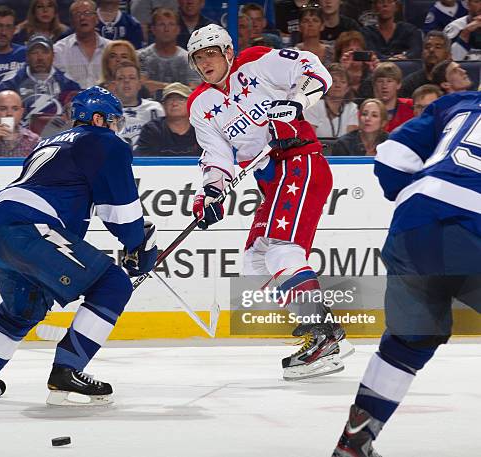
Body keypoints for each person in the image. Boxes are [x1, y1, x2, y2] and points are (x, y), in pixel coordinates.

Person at [0, 86, 157, 405]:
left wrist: (133, 242)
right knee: (112, 284)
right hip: (29, 230)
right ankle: (67, 370)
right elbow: (121, 215)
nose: (116, 128)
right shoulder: (103, 141)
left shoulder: (50, 142)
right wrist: (139, 245)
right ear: (98, 119)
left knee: (23, 310)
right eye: (113, 121)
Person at [186, 24, 352, 380]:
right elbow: (216, 156)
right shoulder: (200, 104)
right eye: (198, 57)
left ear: (228, 52)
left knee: (281, 247)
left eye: (211, 53)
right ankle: (318, 330)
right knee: (255, 263)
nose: (205, 62)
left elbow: (313, 69)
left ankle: (325, 334)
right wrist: (212, 192)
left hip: (300, 160)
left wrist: (296, 102)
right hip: (271, 182)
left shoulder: (256, 63)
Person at [333, 91, 481, 457]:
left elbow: (391, 160)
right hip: (475, 226)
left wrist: (426, 204)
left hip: (414, 220)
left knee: (410, 339)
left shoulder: (458, 103)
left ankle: (355, 442)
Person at [0, 35, 81, 126]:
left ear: (53, 56)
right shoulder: (11, 83)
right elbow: (1, 116)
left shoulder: (68, 84)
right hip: (19, 136)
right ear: (27, 56)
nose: (40, 58)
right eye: (34, 52)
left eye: (45, 52)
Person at [137, 8, 201, 95]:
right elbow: (141, 85)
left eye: (171, 24)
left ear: (178, 29)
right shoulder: (141, 56)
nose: (166, 29)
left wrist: (157, 86)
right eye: (161, 24)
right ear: (153, 29)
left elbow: (193, 90)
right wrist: (178, 88)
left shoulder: (189, 60)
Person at [53, 0, 112, 89]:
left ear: (96, 19)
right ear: (72, 21)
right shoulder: (59, 50)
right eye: (77, 14)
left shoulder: (111, 48)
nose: (82, 17)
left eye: (87, 13)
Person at [134, 82, 200, 156]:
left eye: (180, 99)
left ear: (191, 103)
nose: (174, 104)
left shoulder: (201, 129)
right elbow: (142, 161)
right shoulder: (152, 129)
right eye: (170, 99)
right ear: (163, 105)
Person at [114, 60, 164, 147]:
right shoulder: (106, 111)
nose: (126, 81)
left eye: (132, 78)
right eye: (121, 78)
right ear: (115, 84)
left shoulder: (155, 108)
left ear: (139, 84)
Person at [0, 90, 39, 157]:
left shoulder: (33, 140)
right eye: (3, 109)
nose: (9, 114)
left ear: (21, 112)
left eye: (15, 109)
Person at [304, 63, 358, 138]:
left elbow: (351, 140)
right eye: (334, 81)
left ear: (348, 88)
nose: (338, 85)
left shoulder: (352, 108)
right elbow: (309, 138)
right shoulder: (313, 106)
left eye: (343, 82)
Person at [400, 31, 451, 98]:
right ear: (422, 53)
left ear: (448, 55)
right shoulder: (410, 83)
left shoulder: (454, 82)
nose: (431, 50)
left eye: (438, 47)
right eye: (427, 47)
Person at [334, 31, 378, 104]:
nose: (354, 54)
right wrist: (342, 71)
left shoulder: (370, 75)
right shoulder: (332, 77)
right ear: (340, 55)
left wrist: (376, 73)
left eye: (358, 51)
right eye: (350, 51)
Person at [372, 62, 413, 132]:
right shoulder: (367, 109)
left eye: (389, 81)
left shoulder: (410, 107)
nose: (384, 86)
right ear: (374, 85)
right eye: (380, 81)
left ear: (398, 84)